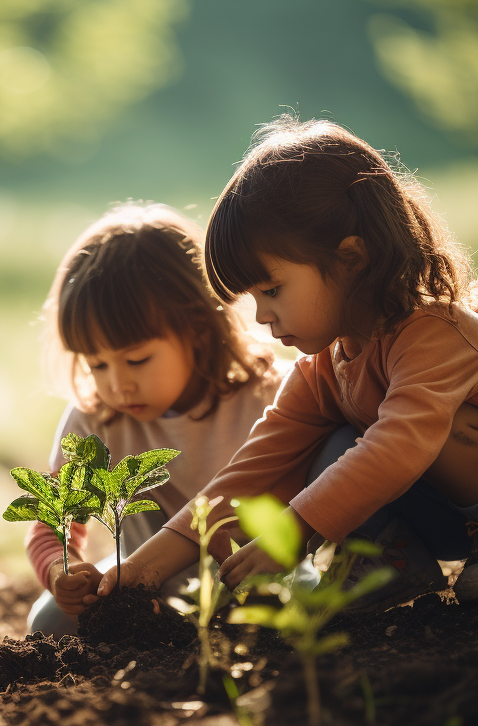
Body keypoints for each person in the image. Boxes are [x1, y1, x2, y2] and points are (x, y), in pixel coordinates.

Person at [98, 117, 478, 610]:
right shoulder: (327, 364)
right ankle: (392, 563)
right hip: (457, 513)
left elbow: (400, 446)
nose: (261, 316)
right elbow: (257, 468)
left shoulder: (432, 334)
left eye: (273, 289)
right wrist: (141, 569)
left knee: (420, 432)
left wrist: (296, 530)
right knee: (322, 445)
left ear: (351, 258)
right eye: (253, 298)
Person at [26, 203, 285, 637]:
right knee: (51, 620)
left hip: (259, 572)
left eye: (137, 360)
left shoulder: (267, 395)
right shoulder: (96, 421)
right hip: (147, 582)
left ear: (199, 328)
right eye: (97, 365)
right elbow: (54, 521)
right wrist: (61, 572)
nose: (118, 386)